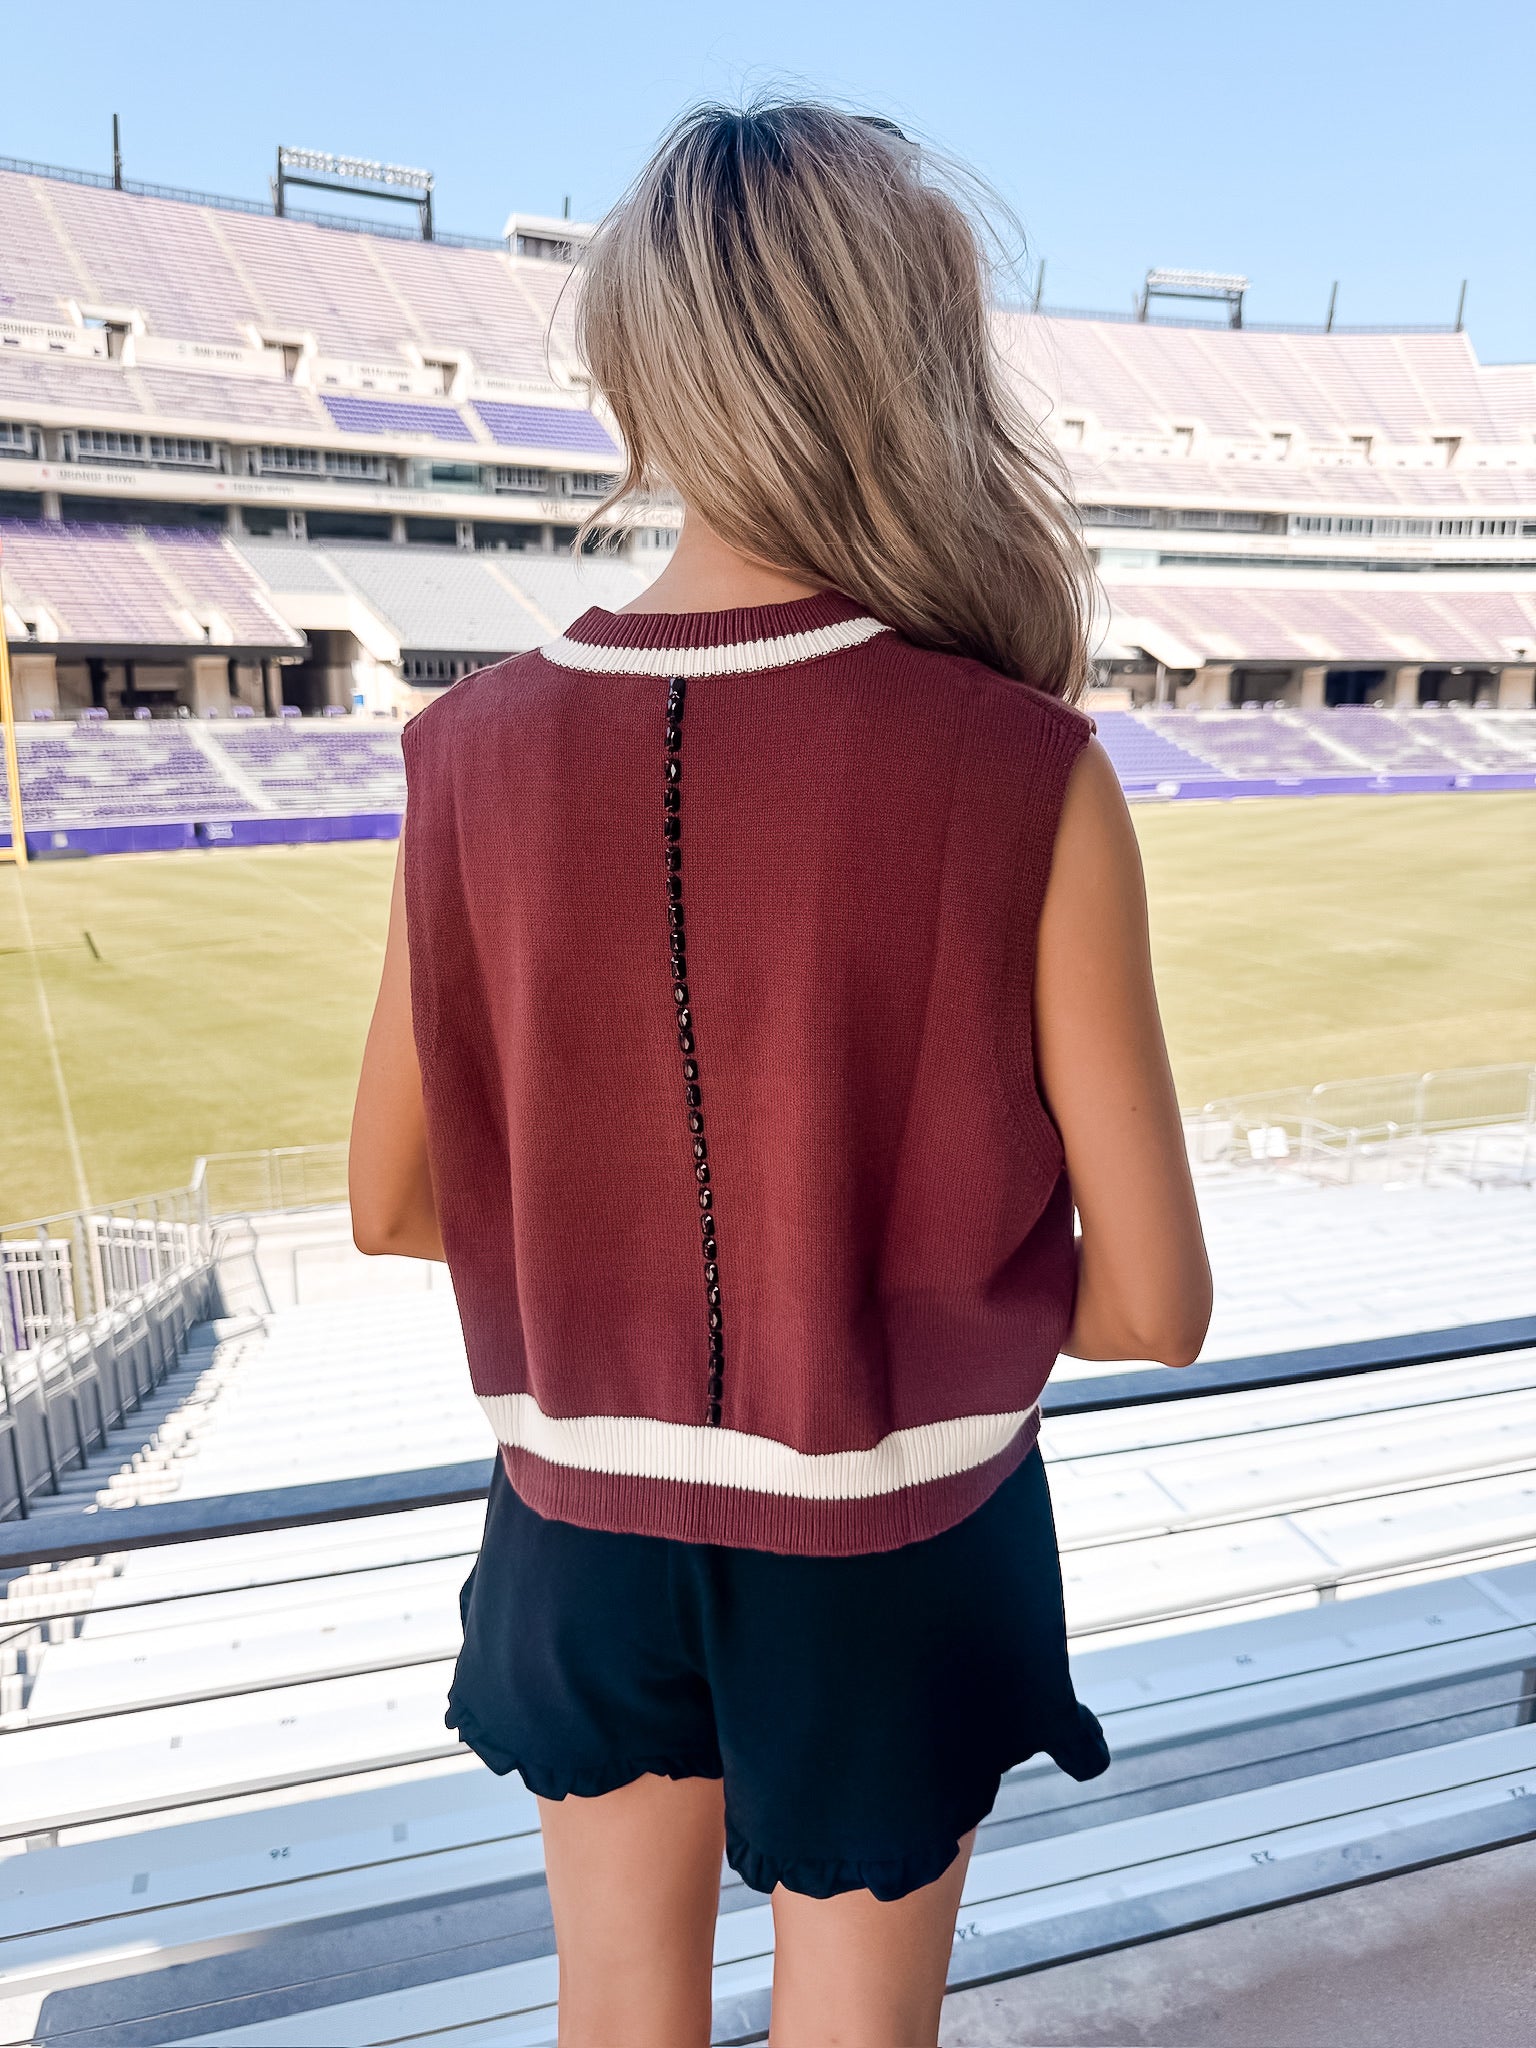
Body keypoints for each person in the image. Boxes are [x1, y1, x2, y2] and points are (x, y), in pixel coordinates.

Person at [350, 98, 1211, 2048]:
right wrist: (874, 1279)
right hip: (898, 1532)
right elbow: (1155, 1305)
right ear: (916, 365)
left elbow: (393, 1202)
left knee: (615, 2013)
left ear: (636, 375)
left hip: (576, 1516)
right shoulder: (1021, 767)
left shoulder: (464, 753)